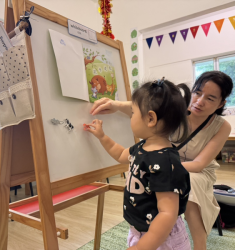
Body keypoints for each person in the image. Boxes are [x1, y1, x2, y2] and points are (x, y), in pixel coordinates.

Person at [89, 71, 234, 250]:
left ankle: (200, 244)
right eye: (197, 92)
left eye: (210, 98)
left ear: (221, 103)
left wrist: (159, 168)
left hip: (189, 169)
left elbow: (198, 165)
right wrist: (104, 130)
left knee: (189, 184)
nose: (199, 101)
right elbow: (122, 151)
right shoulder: (150, 140)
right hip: (146, 204)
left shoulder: (221, 126)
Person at [85, 79, 192, 250]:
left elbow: (167, 214)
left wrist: (142, 246)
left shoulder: (165, 161)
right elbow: (120, 154)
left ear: (150, 118)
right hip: (142, 230)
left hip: (161, 238)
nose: (131, 117)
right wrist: (102, 136)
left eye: (133, 113)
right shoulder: (143, 147)